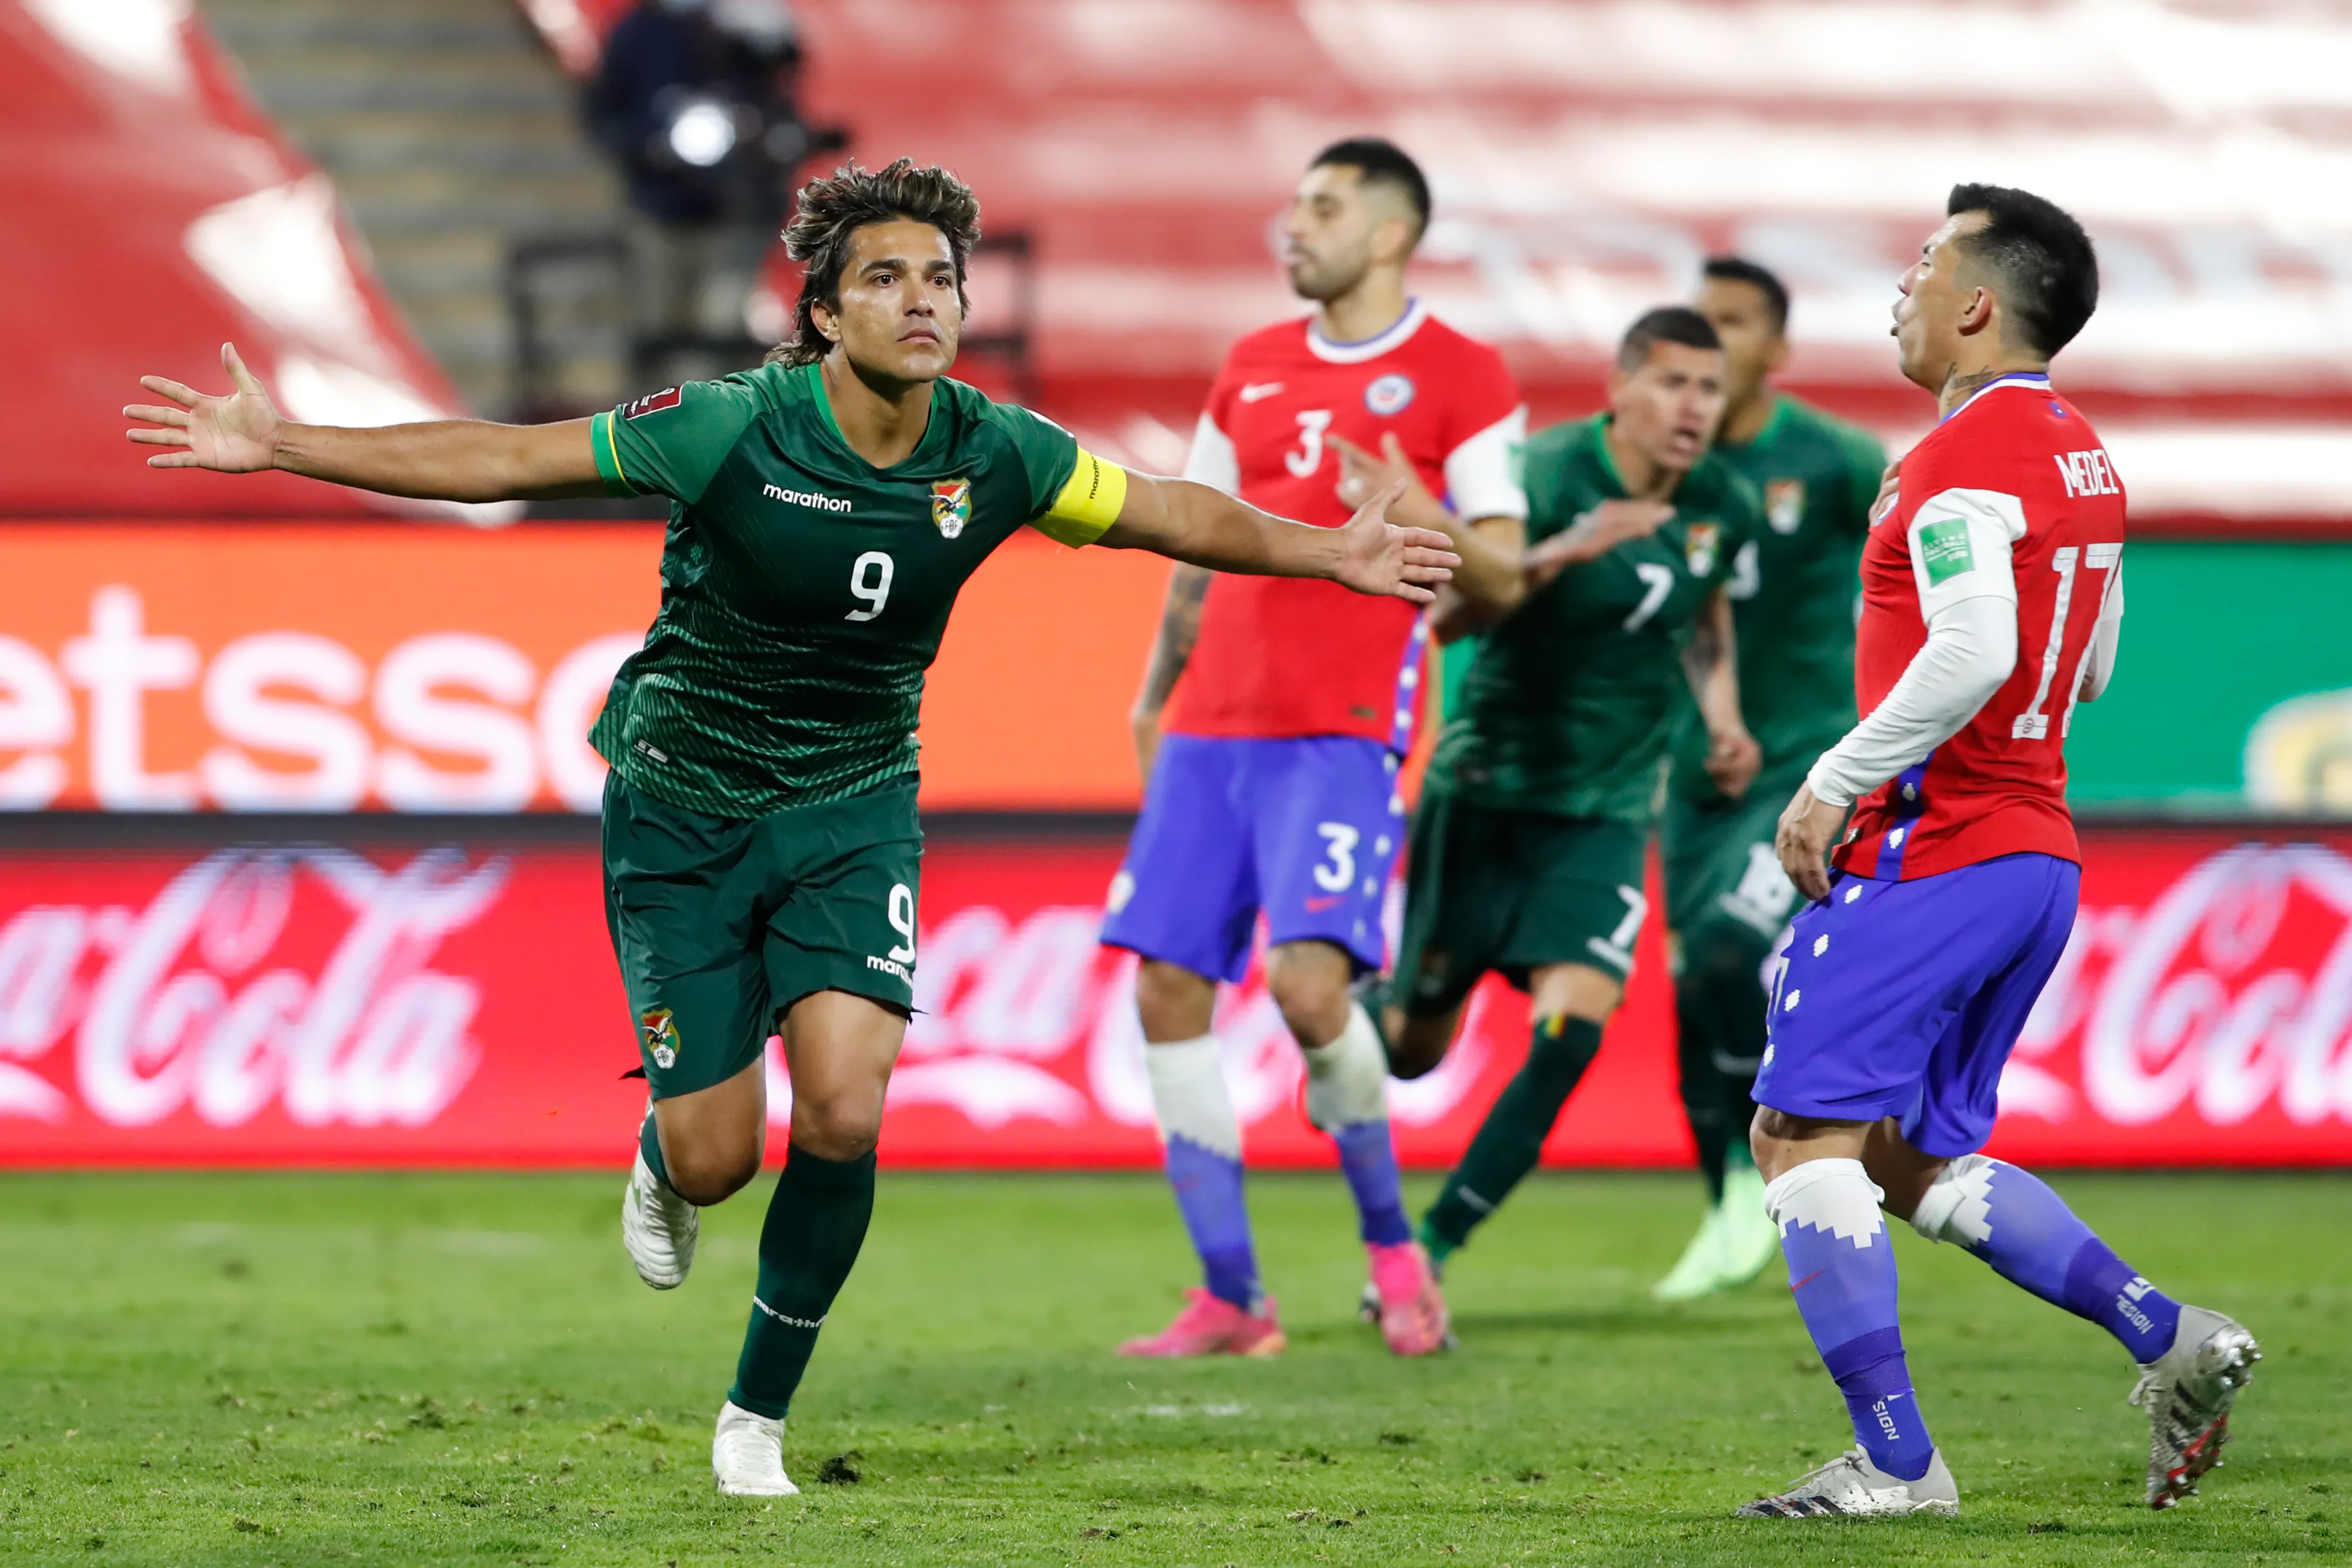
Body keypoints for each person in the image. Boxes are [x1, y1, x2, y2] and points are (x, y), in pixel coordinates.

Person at [124, 159, 1457, 1499]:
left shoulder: (995, 451)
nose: (922, 300)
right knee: (718, 1159)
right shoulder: (728, 428)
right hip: (683, 809)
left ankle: (753, 1418)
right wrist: (286, 441)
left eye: (940, 278)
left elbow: (1168, 510)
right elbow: (501, 457)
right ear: (822, 312)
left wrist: (1325, 548)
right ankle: (662, 1152)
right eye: (885, 278)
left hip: (852, 807)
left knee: (846, 1102)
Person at [1738, 184, 2256, 1519]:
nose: (1900, 286)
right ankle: (2172, 1333)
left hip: (1936, 848)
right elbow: (2091, 666)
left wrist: (1832, 780)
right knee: (1900, 1156)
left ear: (1976, 303)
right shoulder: (2084, 454)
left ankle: (1900, 1464)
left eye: (1922, 261)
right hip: (2037, 855)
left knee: (1799, 1140)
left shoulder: (1957, 463)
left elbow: (1980, 646)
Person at [1103, 139, 1528, 1360]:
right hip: (1209, 726)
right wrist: (1153, 698)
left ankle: (1397, 1256)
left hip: (1340, 731)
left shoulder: (1462, 375)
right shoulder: (1252, 365)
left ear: (1392, 233)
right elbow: (1195, 533)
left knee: (1308, 989)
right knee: (1165, 987)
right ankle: (1233, 1297)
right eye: (1296, 204)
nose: (1297, 225)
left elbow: (1503, 572)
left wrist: (1424, 503)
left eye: (1325, 207)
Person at [1381, 307, 1765, 1282]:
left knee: (1573, 1026)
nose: (1694, 408)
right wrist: (1567, 550)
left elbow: (1703, 614)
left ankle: (1431, 1246)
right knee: (1410, 1051)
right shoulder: (1542, 477)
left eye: (1710, 390)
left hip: (1603, 811)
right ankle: (1340, 1013)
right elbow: (1454, 622)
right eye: (1674, 384)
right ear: (1620, 389)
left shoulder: (1721, 499)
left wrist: (1722, 715)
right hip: (1487, 792)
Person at [1650, 258, 1888, 1302]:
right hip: (1689, 770)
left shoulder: (1833, 460)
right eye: (1699, 319)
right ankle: (1719, 1203)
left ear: (1775, 349)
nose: (1711, 337)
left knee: (1723, 948)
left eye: (1734, 321)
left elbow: (1906, 582)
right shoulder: (1657, 465)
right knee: (1688, 978)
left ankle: (1769, 1180)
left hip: (1799, 764)